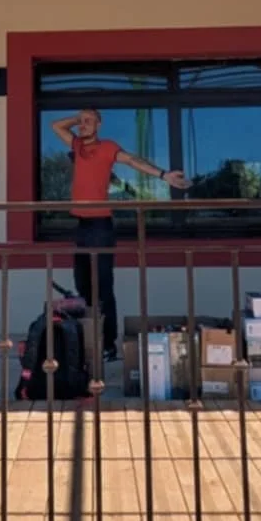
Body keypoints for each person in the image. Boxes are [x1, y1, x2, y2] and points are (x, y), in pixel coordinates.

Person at [49, 109, 188, 360]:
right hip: (81, 226)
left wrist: (163, 175)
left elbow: (132, 160)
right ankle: (89, 341)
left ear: (99, 125)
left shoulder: (107, 147)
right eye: (81, 121)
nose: (83, 125)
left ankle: (108, 345)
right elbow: (56, 126)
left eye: (89, 121)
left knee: (103, 286)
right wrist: (77, 119)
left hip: (100, 227)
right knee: (82, 285)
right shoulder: (77, 145)